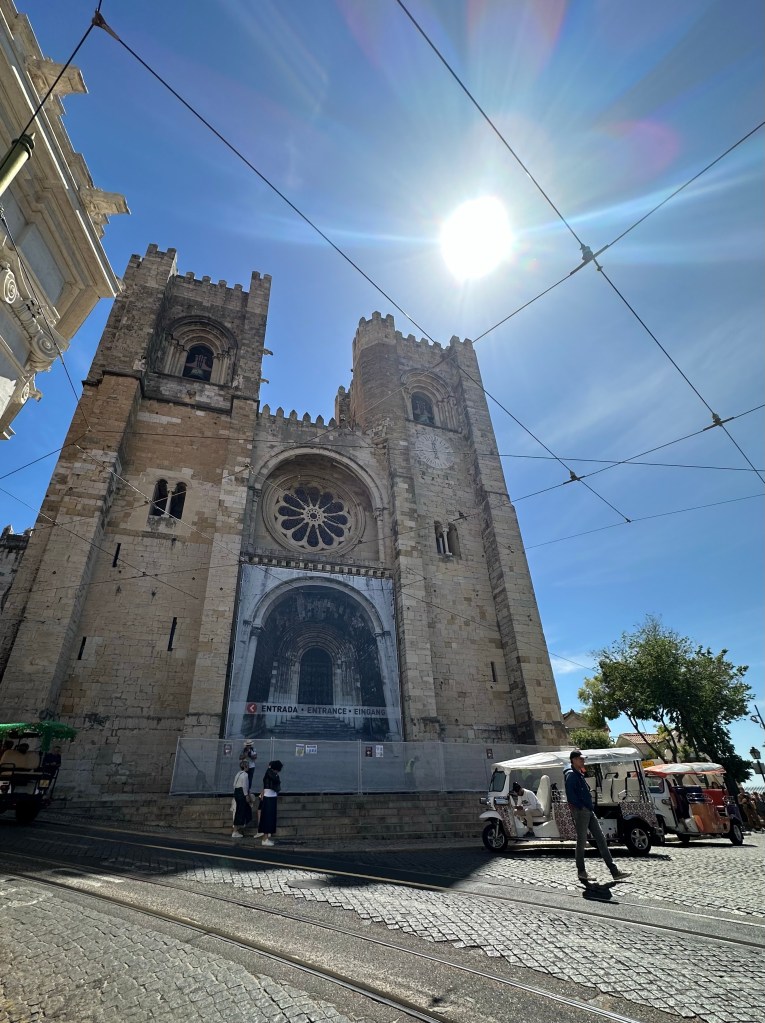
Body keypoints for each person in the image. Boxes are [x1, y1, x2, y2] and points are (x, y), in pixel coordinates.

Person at [563, 750, 631, 883]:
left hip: (588, 810)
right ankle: (581, 871)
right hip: (582, 811)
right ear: (574, 760)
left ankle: (614, 871)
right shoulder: (571, 775)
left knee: (601, 839)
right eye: (581, 759)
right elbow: (570, 795)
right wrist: (581, 806)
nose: (583, 761)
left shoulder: (578, 773)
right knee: (582, 841)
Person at [258, 760, 283, 846]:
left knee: (270, 818)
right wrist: (270, 768)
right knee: (267, 818)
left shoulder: (271, 773)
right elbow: (275, 780)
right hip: (269, 797)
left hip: (271, 796)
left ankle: (266, 838)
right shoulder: (270, 772)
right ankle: (265, 839)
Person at [231, 759, 254, 839]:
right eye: (247, 766)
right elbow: (245, 786)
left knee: (239, 811)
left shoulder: (238, 774)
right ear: (245, 766)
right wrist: (246, 795)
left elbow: (234, 784)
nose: (248, 767)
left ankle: (237, 828)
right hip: (242, 793)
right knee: (241, 811)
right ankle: (236, 830)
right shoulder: (245, 775)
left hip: (237, 792)